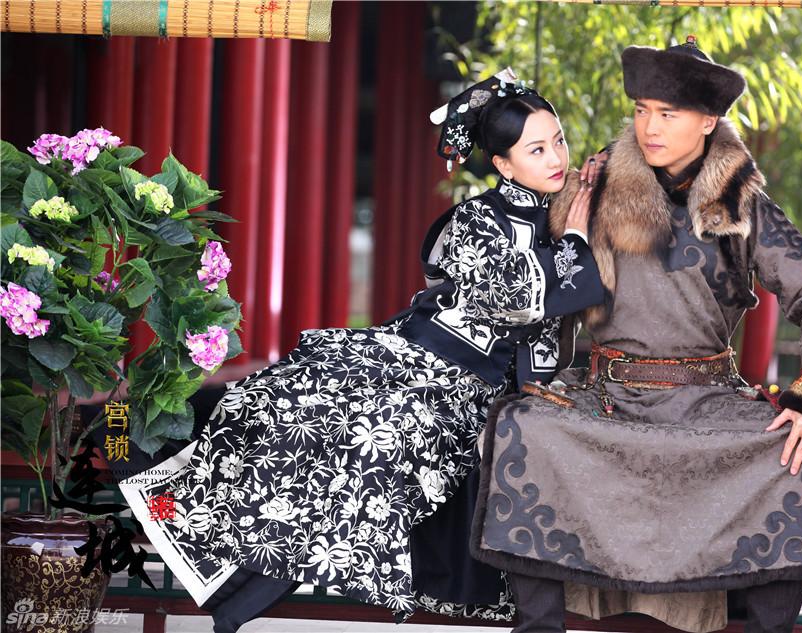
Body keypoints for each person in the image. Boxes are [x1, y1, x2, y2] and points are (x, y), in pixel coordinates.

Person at [115, 69, 606, 632]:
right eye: (536, 149)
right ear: (503, 164)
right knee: (299, 417)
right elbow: (520, 297)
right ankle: (196, 537)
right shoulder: (480, 218)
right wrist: (575, 239)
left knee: (367, 450)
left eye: (559, 141)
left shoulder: (558, 216)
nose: (556, 158)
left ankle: (237, 595)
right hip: (428, 364)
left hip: (473, 390)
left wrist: (575, 228)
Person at [471, 37, 802, 633]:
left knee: (797, 453)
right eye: (642, 110)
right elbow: (526, 264)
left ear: (708, 122)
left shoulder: (743, 204)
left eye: (668, 113)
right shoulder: (593, 187)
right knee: (525, 428)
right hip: (607, 396)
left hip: (707, 399)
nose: (650, 127)